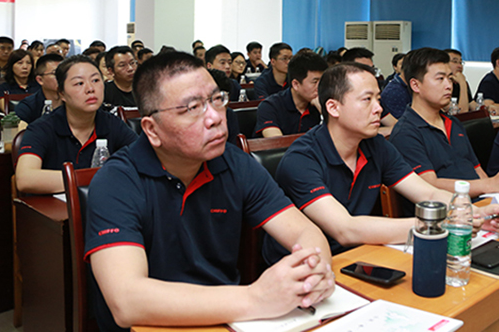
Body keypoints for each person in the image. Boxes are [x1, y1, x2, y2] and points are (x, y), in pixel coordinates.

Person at [84, 51, 333, 332]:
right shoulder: (117, 180)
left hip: (226, 317)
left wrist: (314, 274)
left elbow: (305, 232)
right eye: (192, 108)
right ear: (152, 129)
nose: (215, 117)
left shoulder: (235, 163)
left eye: (216, 100)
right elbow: (127, 301)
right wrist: (256, 298)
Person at [264, 62, 499, 262]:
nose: (379, 109)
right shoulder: (301, 159)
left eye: (378, 99)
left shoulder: (376, 145)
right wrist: (438, 224)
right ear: (333, 107)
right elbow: (345, 229)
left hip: (363, 255)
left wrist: (472, 213)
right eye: (367, 100)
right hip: (305, 268)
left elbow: (426, 192)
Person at [389, 48, 499, 201]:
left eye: (450, 78)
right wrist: (490, 184)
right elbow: (429, 186)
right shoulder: (406, 132)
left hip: (480, 202)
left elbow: (478, 170)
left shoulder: (453, 123)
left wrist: (496, 194)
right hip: (447, 209)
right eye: (440, 79)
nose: (449, 85)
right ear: (415, 85)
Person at [15, 55, 138, 194]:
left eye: (96, 80)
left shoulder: (112, 123)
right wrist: (98, 178)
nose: (90, 89)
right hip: (57, 206)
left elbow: (145, 160)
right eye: (79, 83)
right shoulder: (42, 128)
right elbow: (25, 179)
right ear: (62, 93)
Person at [254, 51, 327, 138]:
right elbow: (277, 143)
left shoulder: (322, 104)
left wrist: (323, 111)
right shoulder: (270, 106)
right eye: (315, 82)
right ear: (296, 84)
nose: (320, 87)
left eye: (322, 81)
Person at [341, 47, 398, 135]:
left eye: (372, 69)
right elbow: (349, 132)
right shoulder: (341, 97)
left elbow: (395, 125)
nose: (370, 74)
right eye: (364, 70)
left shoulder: (373, 96)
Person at [15, 54, 64, 124]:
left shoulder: (75, 101)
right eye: (55, 73)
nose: (62, 77)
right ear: (40, 80)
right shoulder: (27, 106)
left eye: (64, 73)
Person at [445, 49, 473, 113]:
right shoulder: (441, 84)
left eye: (460, 62)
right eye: (455, 62)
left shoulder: (459, 82)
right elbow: (461, 112)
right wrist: (462, 83)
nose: (460, 66)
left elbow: (472, 104)